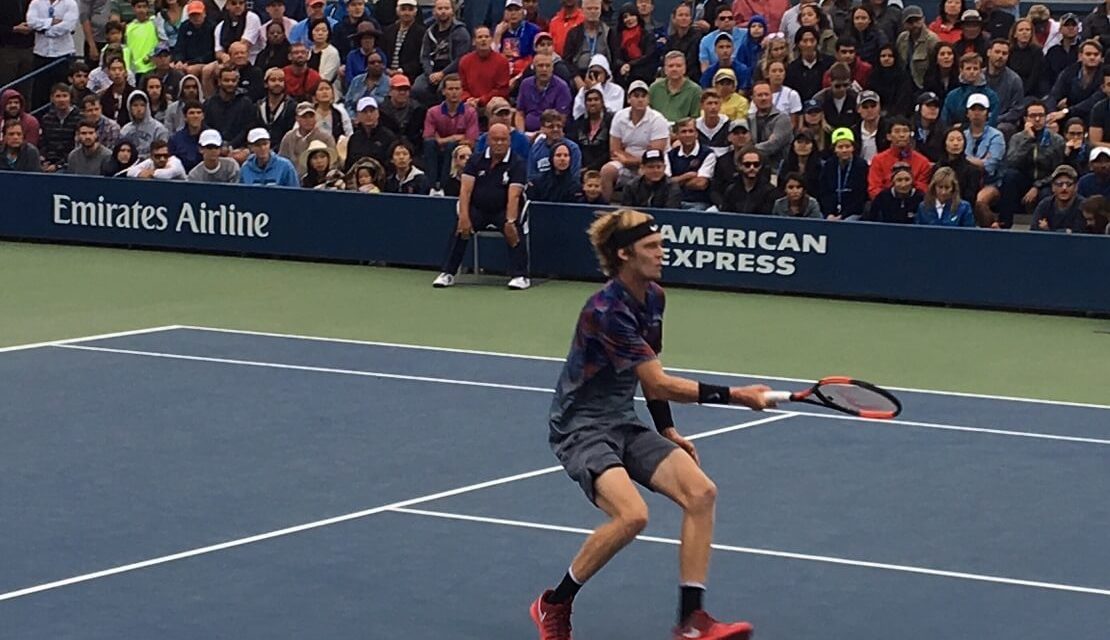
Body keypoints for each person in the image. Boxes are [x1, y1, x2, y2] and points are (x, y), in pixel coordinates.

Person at [530, 206, 772, 640]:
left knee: (701, 492)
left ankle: (692, 621)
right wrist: (738, 396)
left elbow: (651, 372)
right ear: (625, 254)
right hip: (580, 428)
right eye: (652, 247)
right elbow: (659, 381)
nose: (663, 253)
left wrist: (667, 430)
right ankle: (555, 603)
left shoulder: (655, 297)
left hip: (622, 419)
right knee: (632, 516)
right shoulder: (605, 310)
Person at [432, 123, 530, 290]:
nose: (499, 143)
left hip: (504, 210)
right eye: (495, 139)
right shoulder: (475, 160)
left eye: (503, 140)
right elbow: (465, 191)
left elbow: (514, 195)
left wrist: (510, 221)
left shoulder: (517, 163)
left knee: (514, 230)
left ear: (509, 141)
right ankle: (448, 273)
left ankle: (520, 276)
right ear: (488, 140)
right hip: (478, 209)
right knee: (459, 229)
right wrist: (464, 216)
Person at [987, 100, 1064, 228]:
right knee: (1009, 176)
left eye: (1041, 115)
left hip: (1046, 182)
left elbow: (1058, 170)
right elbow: (1011, 161)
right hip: (1024, 179)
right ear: (1025, 119)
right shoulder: (1017, 138)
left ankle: (1042, 227)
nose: (1037, 119)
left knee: (1046, 193)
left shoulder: (1056, 140)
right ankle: (1004, 223)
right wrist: (1028, 140)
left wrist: (1037, 186)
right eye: (1033, 116)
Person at [601, 79, 670, 201]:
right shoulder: (619, 116)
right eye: (636, 96)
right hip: (625, 163)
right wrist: (628, 160)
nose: (640, 99)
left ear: (648, 99)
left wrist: (628, 159)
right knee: (607, 170)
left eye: (644, 96)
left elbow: (654, 156)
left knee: (647, 174)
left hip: (653, 166)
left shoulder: (658, 119)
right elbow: (614, 150)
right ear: (628, 99)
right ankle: (605, 208)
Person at [422, 73, 478, 190]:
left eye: (457, 89)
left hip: (457, 151)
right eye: (450, 89)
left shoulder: (470, 112)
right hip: (436, 150)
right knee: (429, 145)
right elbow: (428, 137)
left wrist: (443, 140)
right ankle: (431, 186)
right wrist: (454, 137)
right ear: (443, 91)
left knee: (452, 146)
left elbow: (471, 141)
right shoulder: (433, 112)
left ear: (462, 91)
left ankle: (444, 185)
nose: (454, 92)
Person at [413, 0, 470, 106]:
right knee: (418, 88)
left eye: (446, 8)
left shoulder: (461, 32)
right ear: (434, 12)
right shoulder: (429, 32)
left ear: (452, 11)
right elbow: (424, 56)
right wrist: (429, 74)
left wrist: (442, 73)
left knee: (443, 90)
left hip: (452, 71)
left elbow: (461, 58)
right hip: (432, 71)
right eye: (440, 9)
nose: (443, 12)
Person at [27, 0, 79, 111]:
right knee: (40, 94)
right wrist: (51, 22)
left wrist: (44, 30)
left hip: (63, 55)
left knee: (63, 92)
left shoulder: (70, 3)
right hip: (41, 54)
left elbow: (67, 26)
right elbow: (31, 22)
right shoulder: (36, 3)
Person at [868, 116, 932, 200]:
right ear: (889, 136)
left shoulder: (923, 162)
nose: (902, 135)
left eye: (905, 131)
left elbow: (923, 190)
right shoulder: (878, 160)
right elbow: (874, 189)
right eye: (897, 131)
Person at [456, 25, 511, 111]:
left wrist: (481, 100)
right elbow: (462, 87)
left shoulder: (502, 61)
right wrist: (468, 99)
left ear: (491, 40)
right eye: (480, 37)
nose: (483, 40)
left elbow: (502, 90)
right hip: (469, 104)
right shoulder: (464, 61)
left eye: (486, 36)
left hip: (493, 104)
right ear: (474, 41)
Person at [819, 127, 868, 219]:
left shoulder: (861, 165)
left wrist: (842, 216)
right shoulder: (829, 165)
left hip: (853, 212)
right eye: (840, 147)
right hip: (831, 213)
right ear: (834, 149)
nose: (844, 150)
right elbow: (824, 193)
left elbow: (860, 196)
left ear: (853, 147)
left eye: (847, 146)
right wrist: (829, 213)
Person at [940, 53, 999, 128]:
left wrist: (964, 126)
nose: (972, 72)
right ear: (961, 70)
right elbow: (945, 122)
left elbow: (992, 122)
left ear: (980, 71)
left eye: (975, 68)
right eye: (968, 68)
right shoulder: (952, 96)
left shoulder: (991, 96)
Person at [203, 65, 254, 151]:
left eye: (233, 80)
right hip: (214, 147)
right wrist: (219, 144)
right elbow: (206, 126)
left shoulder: (246, 103)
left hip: (239, 148)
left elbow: (247, 129)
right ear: (219, 81)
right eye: (226, 80)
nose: (230, 83)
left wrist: (231, 145)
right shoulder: (209, 103)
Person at [668, 117, 714, 209]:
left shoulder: (708, 154)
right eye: (683, 132)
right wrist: (687, 176)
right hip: (674, 202)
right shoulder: (670, 155)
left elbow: (701, 184)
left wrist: (677, 182)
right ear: (677, 135)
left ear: (696, 134)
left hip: (698, 203)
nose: (687, 135)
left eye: (691, 131)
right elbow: (666, 184)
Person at [278, 100, 336, 173]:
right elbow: (281, 161)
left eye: (311, 116)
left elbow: (333, 163)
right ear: (297, 119)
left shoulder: (326, 137)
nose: (308, 120)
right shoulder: (288, 137)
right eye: (304, 117)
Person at [935, 125, 982, 213]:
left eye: (959, 140)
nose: (956, 143)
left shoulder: (973, 170)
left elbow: (970, 199)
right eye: (951, 140)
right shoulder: (936, 168)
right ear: (944, 143)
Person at [37, 82, 81, 172]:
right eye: (58, 96)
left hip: (70, 163)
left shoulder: (80, 118)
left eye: (65, 96)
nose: (61, 100)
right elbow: (43, 143)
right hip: (48, 161)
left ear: (70, 98)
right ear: (52, 98)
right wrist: (43, 159)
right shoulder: (46, 118)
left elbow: (77, 148)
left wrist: (58, 165)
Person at [563, 0, 612, 81]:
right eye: (589, 9)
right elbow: (567, 60)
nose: (593, 12)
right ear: (582, 10)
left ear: (600, 10)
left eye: (596, 8)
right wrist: (576, 77)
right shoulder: (573, 33)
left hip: (604, 74)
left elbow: (614, 58)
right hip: (579, 74)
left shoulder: (609, 32)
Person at [748, 79, 791, 170]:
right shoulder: (749, 119)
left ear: (772, 96)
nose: (764, 98)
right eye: (760, 95)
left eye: (766, 94)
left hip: (776, 169)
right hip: (752, 168)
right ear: (753, 99)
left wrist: (749, 150)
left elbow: (773, 145)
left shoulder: (783, 119)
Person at [1029, 164, 1085, 232]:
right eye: (1059, 184)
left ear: (1076, 187)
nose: (1064, 188)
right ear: (1053, 187)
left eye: (1068, 184)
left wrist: (1048, 230)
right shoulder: (1044, 205)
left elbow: (1078, 233)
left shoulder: (1084, 206)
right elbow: (1034, 230)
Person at [345, 95, 396, 170]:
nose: (369, 115)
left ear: (378, 113)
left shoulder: (389, 137)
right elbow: (349, 165)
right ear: (358, 116)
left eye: (372, 111)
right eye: (364, 112)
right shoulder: (354, 139)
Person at [895, 5, 939, 91]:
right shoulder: (901, 38)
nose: (914, 25)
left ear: (923, 19)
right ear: (904, 24)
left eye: (917, 20)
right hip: (904, 85)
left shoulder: (932, 40)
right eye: (910, 22)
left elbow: (936, 68)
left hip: (924, 85)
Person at [722, 146, 776, 213]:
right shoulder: (731, 190)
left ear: (761, 166)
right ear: (739, 166)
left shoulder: (770, 192)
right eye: (747, 164)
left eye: (756, 164)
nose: (752, 168)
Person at [786, 26, 832, 102]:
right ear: (798, 44)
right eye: (805, 41)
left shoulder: (829, 63)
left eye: (812, 40)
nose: (809, 45)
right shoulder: (792, 68)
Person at [383, 0, 425, 83]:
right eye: (403, 9)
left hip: (410, 75)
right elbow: (382, 53)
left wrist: (400, 71)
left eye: (410, 10)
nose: (406, 13)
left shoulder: (422, 33)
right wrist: (386, 69)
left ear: (415, 12)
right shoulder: (388, 31)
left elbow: (419, 59)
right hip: (386, 74)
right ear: (397, 11)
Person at [120, 90, 170, 159]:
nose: (139, 109)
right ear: (129, 108)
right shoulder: (125, 130)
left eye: (142, 105)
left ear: (147, 107)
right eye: (135, 105)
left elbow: (163, 153)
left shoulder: (158, 129)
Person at [255, 66, 298, 143]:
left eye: (281, 80)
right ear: (266, 84)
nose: (277, 83)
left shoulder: (292, 106)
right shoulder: (258, 106)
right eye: (273, 80)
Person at [173, 1, 215, 78]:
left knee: (191, 70)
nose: (195, 17)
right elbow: (179, 46)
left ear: (204, 13)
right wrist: (179, 60)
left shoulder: (212, 27)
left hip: (205, 62)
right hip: (186, 62)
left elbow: (211, 52)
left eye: (198, 14)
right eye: (192, 15)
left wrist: (190, 63)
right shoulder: (184, 26)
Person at [167, 98, 203, 170]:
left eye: (199, 113)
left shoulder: (212, 137)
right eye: (191, 113)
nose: (196, 116)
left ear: (203, 116)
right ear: (185, 118)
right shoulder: (175, 140)